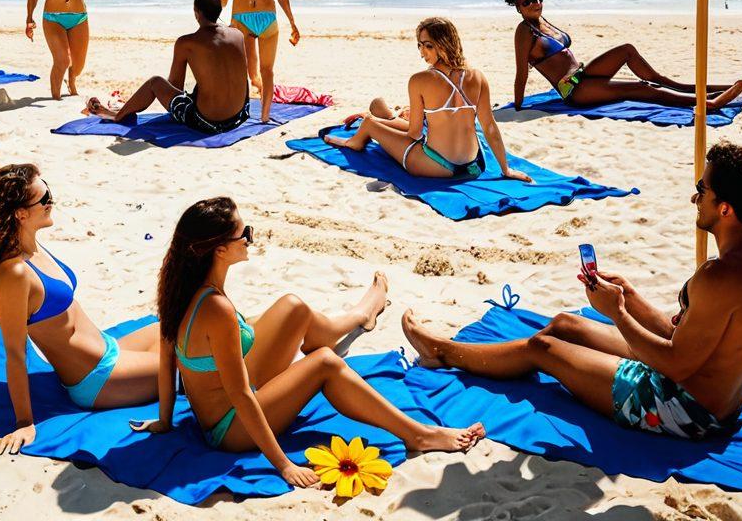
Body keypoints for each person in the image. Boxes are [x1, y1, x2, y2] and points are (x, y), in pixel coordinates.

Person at [402, 141, 742, 441]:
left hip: (688, 412)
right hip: (712, 396)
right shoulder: (741, 264)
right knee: (566, 325)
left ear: (725, 208)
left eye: (702, 190)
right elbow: (690, 341)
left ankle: (443, 352)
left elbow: (675, 363)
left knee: (544, 348)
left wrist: (617, 313)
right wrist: (630, 296)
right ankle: (495, 358)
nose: (695, 196)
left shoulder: (719, 276)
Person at [131, 197, 484, 486]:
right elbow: (240, 395)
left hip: (229, 400)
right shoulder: (216, 308)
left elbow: (167, 358)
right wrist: (283, 465)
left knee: (293, 307)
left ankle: (361, 314)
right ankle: (419, 435)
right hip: (229, 428)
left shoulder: (181, 287)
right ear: (219, 250)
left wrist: (165, 420)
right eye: (245, 234)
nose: (251, 240)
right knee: (325, 362)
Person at [0, 163, 162, 457]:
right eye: (44, 199)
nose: (51, 202)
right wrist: (24, 423)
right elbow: (16, 353)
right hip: (97, 378)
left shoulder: (32, 246)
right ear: (21, 213)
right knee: (198, 354)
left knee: (181, 327)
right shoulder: (14, 273)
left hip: (110, 349)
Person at [325, 17, 531, 182]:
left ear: (444, 44)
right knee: (389, 115)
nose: (422, 52)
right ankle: (377, 120)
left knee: (370, 122)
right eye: (420, 46)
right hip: (473, 165)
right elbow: (490, 127)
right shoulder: (477, 77)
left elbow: (414, 133)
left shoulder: (419, 80)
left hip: (434, 165)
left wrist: (378, 123)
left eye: (428, 46)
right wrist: (506, 169)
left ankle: (356, 141)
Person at [506, 0, 742, 111]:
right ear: (518, 7)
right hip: (574, 89)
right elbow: (521, 72)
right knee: (637, 80)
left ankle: (699, 89)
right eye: (528, 1)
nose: (536, 2)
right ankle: (708, 102)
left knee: (635, 67)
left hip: (583, 75)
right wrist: (518, 106)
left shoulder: (543, 21)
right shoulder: (524, 31)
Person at [86, 0, 251, 135]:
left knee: (155, 82)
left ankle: (117, 116)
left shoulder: (187, 43)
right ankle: (125, 109)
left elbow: (175, 86)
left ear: (197, 12)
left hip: (208, 123)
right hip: (239, 116)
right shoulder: (237, 35)